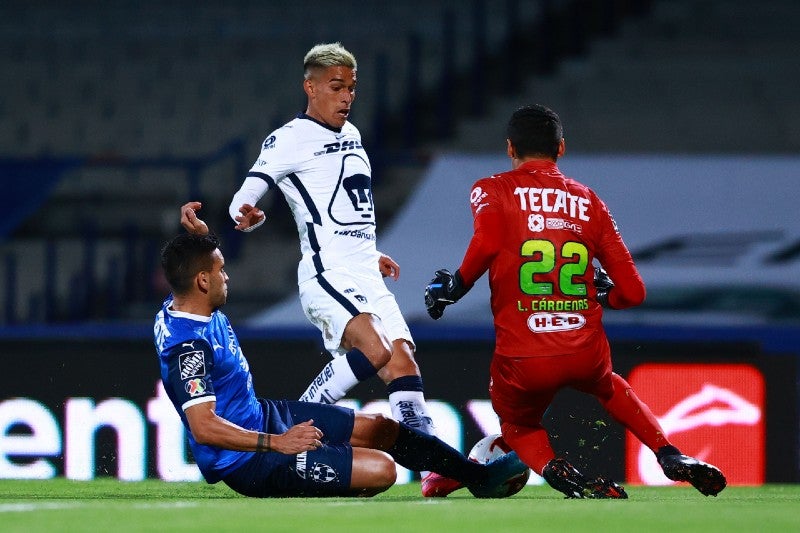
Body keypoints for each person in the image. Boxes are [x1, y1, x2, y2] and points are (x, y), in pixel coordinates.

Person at [421, 104, 727, 499]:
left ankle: (559, 471)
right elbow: (634, 292)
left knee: (518, 426)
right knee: (610, 387)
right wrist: (605, 296)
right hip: (583, 347)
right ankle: (668, 452)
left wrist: (456, 286)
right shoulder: (589, 201)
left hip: (524, 353)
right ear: (561, 148)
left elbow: (490, 241)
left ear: (510, 147)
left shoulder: (491, 188)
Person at [153, 203, 528, 497]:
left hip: (263, 414)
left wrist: (204, 238)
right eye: (219, 271)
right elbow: (203, 428)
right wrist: (278, 444)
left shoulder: (184, 301)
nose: (227, 276)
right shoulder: (188, 347)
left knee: (383, 428)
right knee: (382, 469)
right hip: (248, 461)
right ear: (202, 281)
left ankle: (479, 477)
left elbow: (190, 269)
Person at [219, 42, 439, 485]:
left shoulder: (352, 136)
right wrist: (243, 210)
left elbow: (346, 206)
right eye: (337, 87)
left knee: (404, 363)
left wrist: (370, 252)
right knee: (375, 349)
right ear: (310, 86)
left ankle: (435, 467)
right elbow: (246, 191)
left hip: (362, 268)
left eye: (352, 89)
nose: (346, 97)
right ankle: (299, 417)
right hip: (328, 272)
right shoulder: (289, 138)